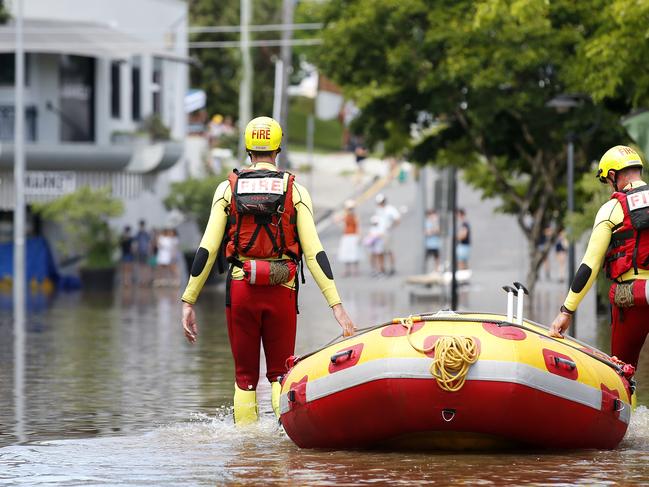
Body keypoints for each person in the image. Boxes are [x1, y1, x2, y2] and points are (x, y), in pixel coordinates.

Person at [181, 116, 356, 425]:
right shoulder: (295, 190)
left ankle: (246, 449)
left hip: (241, 290)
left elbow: (207, 249)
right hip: (282, 291)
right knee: (280, 374)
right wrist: (336, 305)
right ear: (278, 147)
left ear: (248, 148)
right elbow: (315, 253)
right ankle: (281, 442)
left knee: (245, 377)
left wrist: (188, 300)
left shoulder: (227, 189)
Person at [550, 146, 649, 369]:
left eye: (607, 181)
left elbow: (590, 266)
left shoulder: (611, 209)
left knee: (622, 371)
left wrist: (566, 311)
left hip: (631, 297)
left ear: (613, 176)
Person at [374, 193, 401, 275]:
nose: (380, 204)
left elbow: (397, 219)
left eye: (381, 202)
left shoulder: (390, 209)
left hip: (387, 234)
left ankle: (392, 268)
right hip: (379, 234)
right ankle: (382, 269)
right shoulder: (378, 210)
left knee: (389, 251)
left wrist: (391, 226)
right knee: (379, 252)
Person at [337, 199, 360, 277]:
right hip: (346, 236)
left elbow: (358, 227)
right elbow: (336, 219)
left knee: (355, 253)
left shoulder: (355, 216)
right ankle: (347, 270)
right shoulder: (345, 216)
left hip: (353, 236)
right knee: (346, 253)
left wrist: (359, 236)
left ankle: (355, 270)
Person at [134, 219, 152, 285]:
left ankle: (146, 280)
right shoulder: (138, 233)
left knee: (145, 266)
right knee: (142, 266)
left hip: (145, 252)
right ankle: (142, 280)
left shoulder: (145, 233)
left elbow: (149, 243)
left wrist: (149, 251)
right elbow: (135, 243)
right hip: (141, 252)